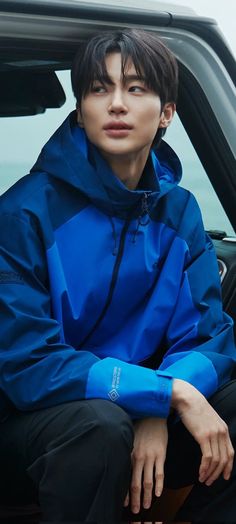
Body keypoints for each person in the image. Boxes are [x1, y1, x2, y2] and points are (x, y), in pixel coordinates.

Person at [0, 28, 235, 524]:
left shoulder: (180, 211)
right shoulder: (24, 213)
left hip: (133, 407)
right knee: (99, 428)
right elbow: (28, 364)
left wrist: (155, 407)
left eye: (136, 87)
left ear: (167, 112)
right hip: (31, 423)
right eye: (99, 89)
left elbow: (209, 337)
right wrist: (165, 394)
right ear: (82, 110)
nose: (117, 105)